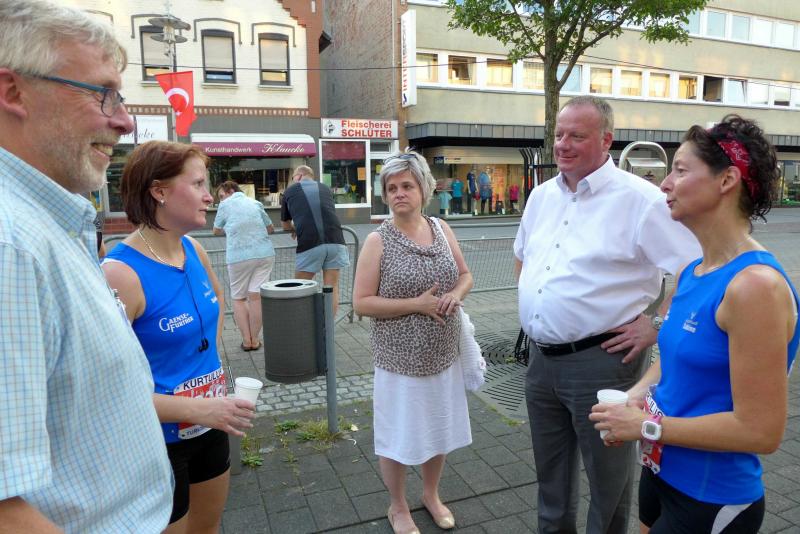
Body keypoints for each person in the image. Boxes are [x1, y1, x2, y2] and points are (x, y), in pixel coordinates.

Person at [0, 1, 173, 531]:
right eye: (103, 93)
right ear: (13, 92)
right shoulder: (12, 245)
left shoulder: (51, 222)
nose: (124, 120)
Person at [590, 115, 800, 534]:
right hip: (660, 469)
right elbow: (672, 358)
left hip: (711, 495)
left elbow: (761, 431)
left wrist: (645, 426)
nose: (665, 185)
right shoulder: (693, 271)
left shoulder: (754, 286)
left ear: (727, 180)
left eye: (681, 171)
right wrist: (634, 396)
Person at [513, 95, 700, 534]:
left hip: (603, 361)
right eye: (559, 134)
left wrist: (656, 325)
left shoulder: (641, 200)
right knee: (550, 476)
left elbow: (696, 269)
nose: (563, 144)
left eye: (577, 135)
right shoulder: (542, 196)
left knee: (607, 482)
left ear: (606, 140)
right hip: (540, 360)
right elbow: (522, 256)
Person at [102, 141, 255, 534]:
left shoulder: (193, 249)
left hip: (211, 424)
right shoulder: (120, 274)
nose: (209, 196)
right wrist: (199, 408)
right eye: (198, 184)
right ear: (159, 191)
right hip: (158, 441)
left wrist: (201, 359)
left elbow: (217, 298)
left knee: (207, 527)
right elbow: (107, 393)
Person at [353, 150, 474, 534]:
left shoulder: (441, 228)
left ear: (424, 189)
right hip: (399, 361)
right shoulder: (377, 240)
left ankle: (431, 495)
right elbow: (361, 303)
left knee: (437, 428)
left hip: (443, 355)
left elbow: (466, 275)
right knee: (398, 434)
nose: (399, 193)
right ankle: (398, 506)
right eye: (391, 188)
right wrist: (416, 305)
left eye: (406, 185)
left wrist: (456, 294)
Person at [213, 180, 275, 351]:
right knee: (256, 296)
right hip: (264, 253)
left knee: (239, 298)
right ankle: (255, 339)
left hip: (238, 256)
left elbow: (216, 230)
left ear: (230, 191)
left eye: (221, 196)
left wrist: (231, 230)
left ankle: (246, 341)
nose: (221, 200)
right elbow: (270, 228)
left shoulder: (224, 206)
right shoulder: (255, 203)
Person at [281, 164, 349, 317]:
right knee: (332, 288)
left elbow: (285, 225)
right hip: (336, 240)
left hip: (310, 243)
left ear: (299, 176)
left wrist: (295, 228)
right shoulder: (325, 188)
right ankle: (328, 328)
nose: (293, 181)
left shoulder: (290, 191)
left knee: (299, 288)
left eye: (293, 177)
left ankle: (302, 326)